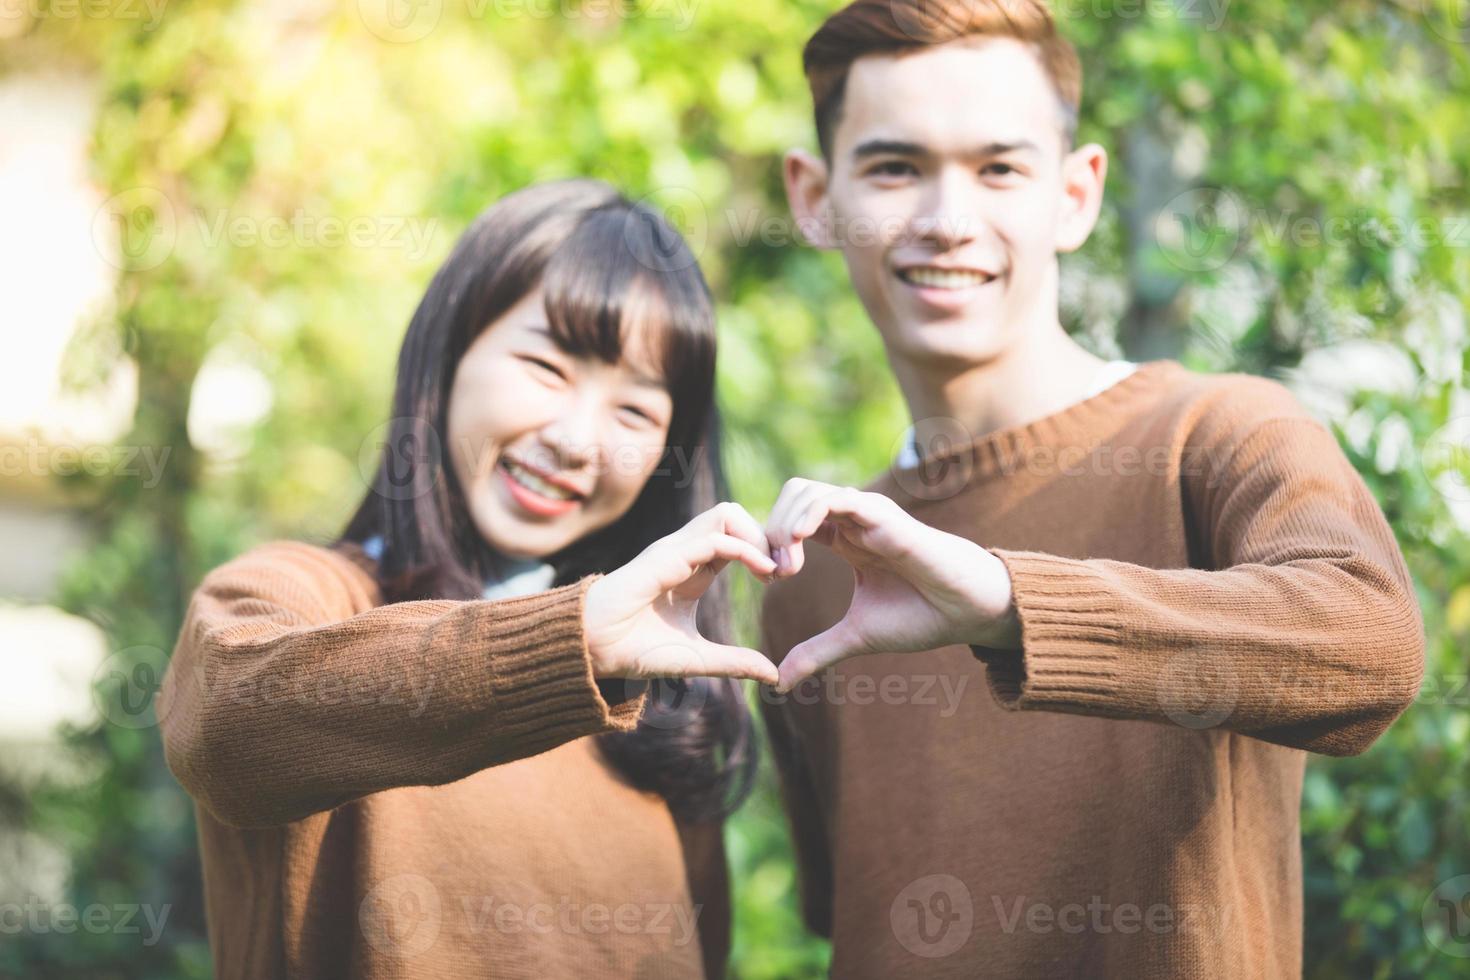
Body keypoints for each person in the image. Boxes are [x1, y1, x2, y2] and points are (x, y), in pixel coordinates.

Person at [757, 2, 1426, 977]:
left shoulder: (1219, 433)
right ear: (816, 196)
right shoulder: (817, 575)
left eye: (999, 169)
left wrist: (1007, 603)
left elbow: (1372, 643)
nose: (948, 221)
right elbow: (849, 907)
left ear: (1076, 194)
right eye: (896, 167)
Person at [159, 178, 780, 979]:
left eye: (635, 412)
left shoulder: (657, 701)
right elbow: (223, 730)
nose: (576, 440)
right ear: (450, 353)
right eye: (548, 366)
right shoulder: (306, 595)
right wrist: (571, 644)